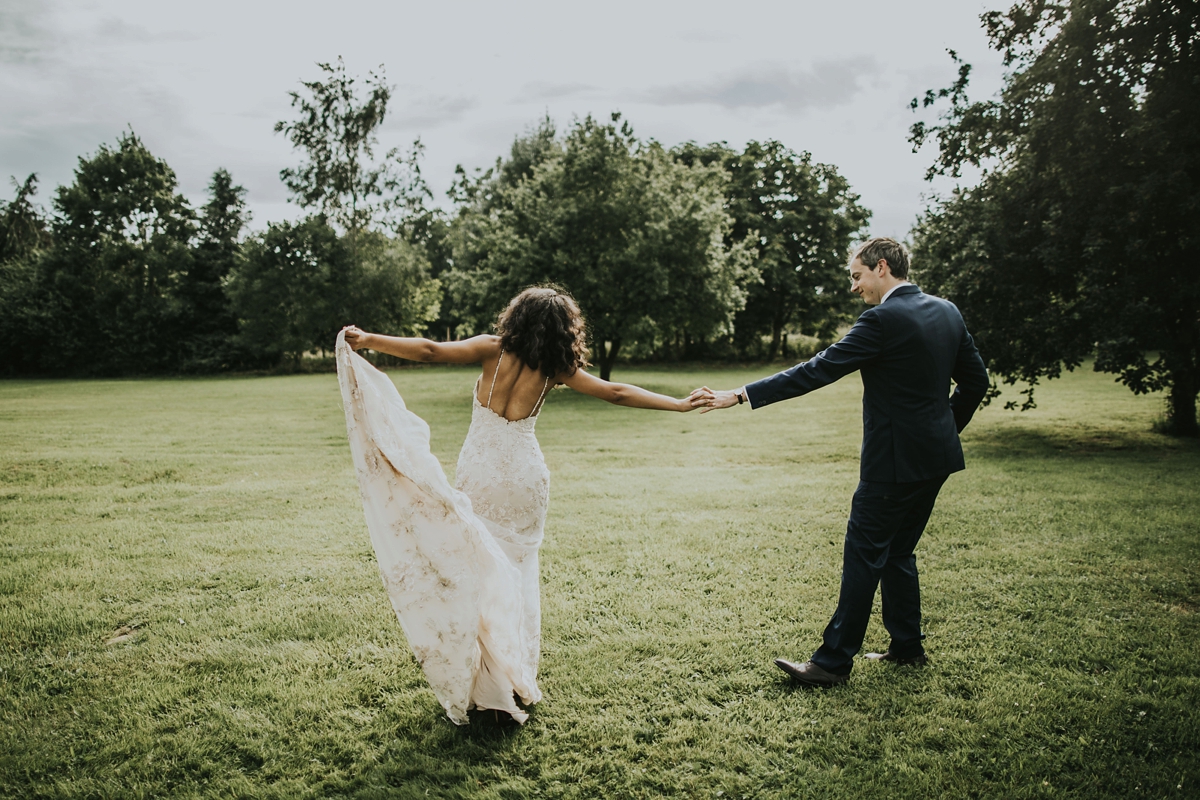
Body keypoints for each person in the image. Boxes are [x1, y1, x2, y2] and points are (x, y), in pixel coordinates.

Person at [337, 286, 703, 724]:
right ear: (564, 330)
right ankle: (511, 679)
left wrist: (370, 340)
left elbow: (431, 349)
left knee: (478, 571)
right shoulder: (555, 368)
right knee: (517, 571)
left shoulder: (492, 349)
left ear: (516, 317)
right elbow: (617, 392)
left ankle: (486, 687)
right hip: (525, 479)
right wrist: (679, 405)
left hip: (480, 474)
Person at [697, 237, 989, 687]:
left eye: (857, 276)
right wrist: (945, 430)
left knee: (863, 557)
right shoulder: (946, 310)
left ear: (883, 268)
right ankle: (907, 647)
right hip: (937, 459)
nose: (854, 288)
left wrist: (739, 395)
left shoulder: (882, 319)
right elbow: (976, 381)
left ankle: (832, 663)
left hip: (893, 464)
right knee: (898, 551)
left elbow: (816, 369)